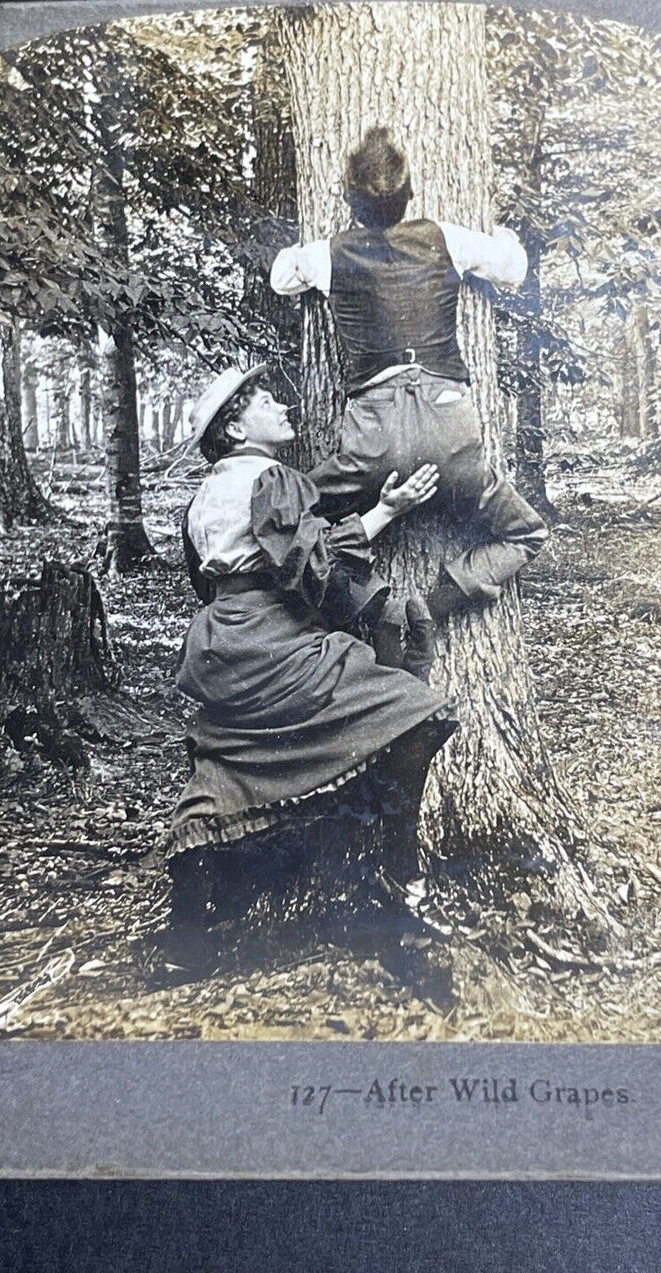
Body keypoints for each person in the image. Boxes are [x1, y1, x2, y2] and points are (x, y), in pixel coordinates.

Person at [159, 364, 457, 980]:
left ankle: (186, 933)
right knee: (421, 715)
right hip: (272, 638)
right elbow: (314, 571)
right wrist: (382, 540)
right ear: (237, 427)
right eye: (264, 400)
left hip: (218, 644)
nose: (280, 405)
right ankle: (399, 874)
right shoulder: (274, 478)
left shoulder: (202, 498)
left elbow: (205, 579)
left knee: (229, 755)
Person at [270, 126, 550, 620]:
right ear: (412, 194)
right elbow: (513, 268)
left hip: (372, 442)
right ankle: (437, 604)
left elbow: (280, 278)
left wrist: (304, 256)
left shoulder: (328, 254)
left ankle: (368, 606)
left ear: (347, 199)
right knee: (527, 531)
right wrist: (505, 237)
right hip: (449, 433)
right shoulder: (446, 238)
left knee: (290, 517)